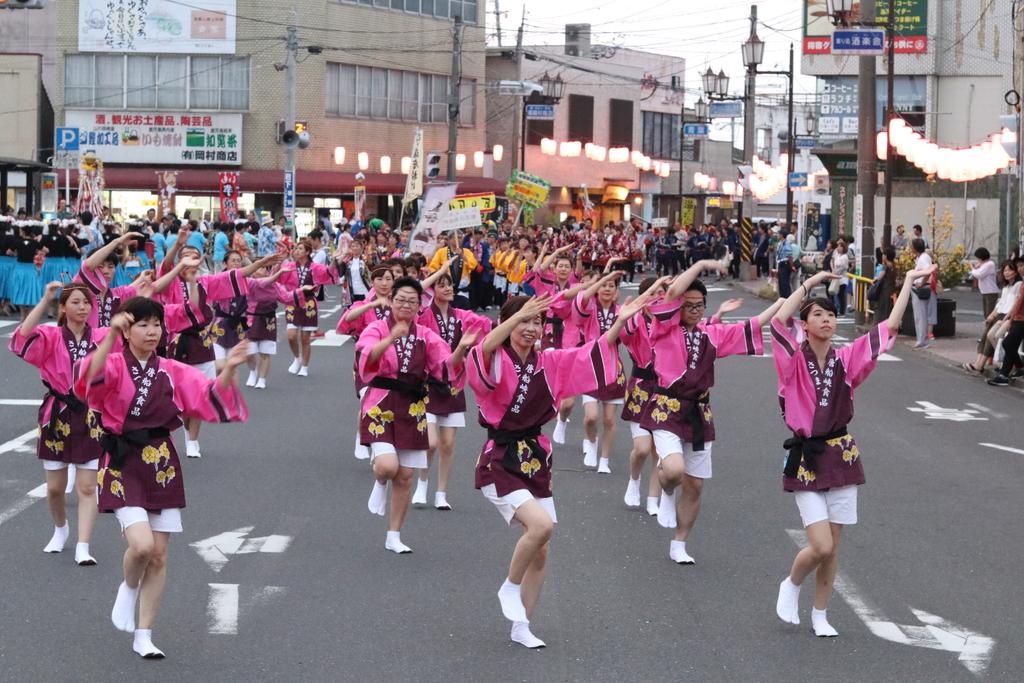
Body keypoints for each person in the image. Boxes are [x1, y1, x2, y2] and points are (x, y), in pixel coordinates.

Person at [467, 291, 652, 649]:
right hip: (500, 458)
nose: (531, 327)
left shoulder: (548, 362)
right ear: (506, 324)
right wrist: (515, 317)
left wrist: (617, 323)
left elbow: (590, 353)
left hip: (535, 458)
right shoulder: (494, 357)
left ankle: (522, 624)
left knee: (542, 548)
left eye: (537, 321)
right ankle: (509, 587)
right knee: (541, 525)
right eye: (523, 320)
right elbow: (485, 348)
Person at [75, 297, 249, 658]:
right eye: (143, 324)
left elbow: (207, 397)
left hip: (161, 460)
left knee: (160, 556)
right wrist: (109, 338)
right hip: (123, 458)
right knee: (142, 545)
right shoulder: (113, 363)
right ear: (126, 330)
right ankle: (127, 587)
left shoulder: (171, 369)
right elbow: (89, 379)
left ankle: (144, 634)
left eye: (156, 324)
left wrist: (229, 368)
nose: (152, 331)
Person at [771, 264, 935, 637]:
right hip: (807, 459)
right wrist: (810, 284)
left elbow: (889, 328)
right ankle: (792, 583)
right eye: (818, 314)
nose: (827, 320)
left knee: (833, 548)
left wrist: (907, 281)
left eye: (831, 314)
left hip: (841, 454)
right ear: (806, 323)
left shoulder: (846, 361)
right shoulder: (792, 360)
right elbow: (779, 322)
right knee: (820, 544)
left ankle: (820, 614)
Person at [640, 259, 780, 565]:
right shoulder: (662, 327)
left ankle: (680, 542)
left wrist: (784, 300)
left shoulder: (711, 334)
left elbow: (753, 326)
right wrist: (702, 263)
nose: (693, 309)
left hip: (699, 412)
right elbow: (674, 290)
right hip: (666, 407)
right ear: (676, 306)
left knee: (695, 484)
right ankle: (665, 492)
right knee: (674, 470)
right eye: (687, 304)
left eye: (699, 305)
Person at [357, 277, 476, 554]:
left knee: (406, 475)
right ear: (391, 301)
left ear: (419, 305)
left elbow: (445, 367)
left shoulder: (425, 335)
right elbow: (366, 356)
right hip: (381, 403)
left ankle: (394, 534)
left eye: (412, 301)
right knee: (388, 466)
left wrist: (460, 349)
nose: (407, 305)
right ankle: (379, 478)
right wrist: (390, 338)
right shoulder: (375, 328)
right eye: (401, 300)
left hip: (412, 406)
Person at [9, 281, 112, 565]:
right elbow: (23, 336)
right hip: (57, 414)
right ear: (64, 308)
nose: (82, 307)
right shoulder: (51, 336)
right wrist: (45, 300)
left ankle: (83, 545)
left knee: (88, 488)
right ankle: (60, 528)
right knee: (54, 488)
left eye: (86, 303)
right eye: (75, 302)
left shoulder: (101, 336)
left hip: (91, 415)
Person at [412, 272, 492, 510]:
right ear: (432, 291)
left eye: (450, 285)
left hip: (454, 384)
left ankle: (441, 492)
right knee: (431, 441)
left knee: (448, 443)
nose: (448, 289)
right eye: (442, 285)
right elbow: (416, 298)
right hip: (429, 382)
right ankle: (422, 483)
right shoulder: (424, 315)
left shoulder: (461, 315)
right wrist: (440, 269)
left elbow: (486, 326)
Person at [570, 266, 629, 473]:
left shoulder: (622, 311)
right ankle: (591, 441)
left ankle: (604, 459)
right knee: (591, 417)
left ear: (617, 291)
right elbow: (582, 298)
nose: (607, 289)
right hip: (590, 367)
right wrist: (599, 280)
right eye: (603, 285)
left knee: (609, 419)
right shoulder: (589, 308)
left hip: (613, 369)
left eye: (611, 286)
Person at [277, 238, 339, 377]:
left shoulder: (315, 267)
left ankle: (304, 366)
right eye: (296, 249)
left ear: (307, 252)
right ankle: (297, 358)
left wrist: (334, 261)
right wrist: (279, 261)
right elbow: (277, 276)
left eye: (300, 249)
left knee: (305, 338)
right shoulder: (290, 266)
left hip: (309, 303)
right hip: (293, 301)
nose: (296, 251)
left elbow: (328, 272)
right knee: (291, 336)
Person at [987, 260, 1024, 386]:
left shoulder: (1020, 284)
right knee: (1009, 344)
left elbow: (1017, 303)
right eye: (1018, 266)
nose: (1020, 269)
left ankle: (1011, 370)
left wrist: (1009, 320)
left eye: (1021, 266)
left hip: (1019, 319)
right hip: (1017, 318)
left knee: (1008, 343)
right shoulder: (1016, 284)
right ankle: (1006, 373)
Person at [909, 238, 935, 348]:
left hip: (921, 288)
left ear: (915, 248)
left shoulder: (923, 258)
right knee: (921, 315)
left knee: (920, 315)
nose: (910, 248)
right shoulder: (922, 257)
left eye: (911, 246)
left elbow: (928, 272)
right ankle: (921, 339)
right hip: (920, 287)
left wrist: (922, 283)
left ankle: (922, 340)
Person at [829, 240, 850, 316]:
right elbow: (832, 261)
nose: (838, 247)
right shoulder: (837, 255)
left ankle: (842, 311)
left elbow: (843, 267)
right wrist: (833, 270)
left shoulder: (845, 256)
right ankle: (837, 308)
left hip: (842, 277)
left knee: (841, 294)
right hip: (836, 276)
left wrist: (835, 273)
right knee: (836, 293)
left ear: (843, 247)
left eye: (839, 246)